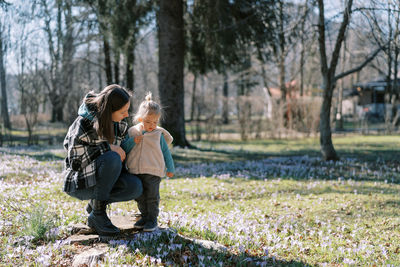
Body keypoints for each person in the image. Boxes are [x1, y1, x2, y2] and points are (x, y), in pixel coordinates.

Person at [63, 84, 142, 236]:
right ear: (109, 110)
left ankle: (95, 204)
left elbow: (122, 158)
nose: (126, 115)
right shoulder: (84, 123)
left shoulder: (121, 125)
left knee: (135, 187)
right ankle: (98, 215)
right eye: (123, 111)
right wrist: (108, 148)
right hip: (78, 182)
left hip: (102, 181)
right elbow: (75, 162)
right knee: (111, 158)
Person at [125, 92, 175, 232]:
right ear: (140, 119)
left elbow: (166, 152)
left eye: (155, 122)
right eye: (148, 122)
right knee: (140, 196)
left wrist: (170, 168)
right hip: (136, 171)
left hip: (153, 171)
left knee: (152, 196)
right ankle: (144, 216)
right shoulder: (134, 133)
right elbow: (124, 149)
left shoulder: (158, 135)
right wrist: (132, 142)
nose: (152, 125)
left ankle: (152, 219)